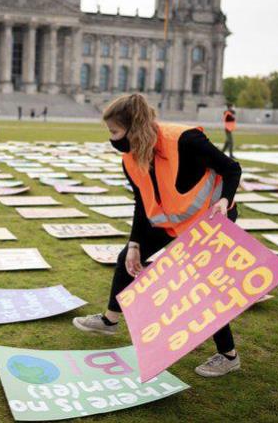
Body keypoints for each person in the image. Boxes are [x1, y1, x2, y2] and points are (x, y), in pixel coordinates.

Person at [72, 93, 243, 378]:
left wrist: (225, 200)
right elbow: (143, 201)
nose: (111, 138)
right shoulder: (130, 158)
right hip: (173, 220)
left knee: (202, 283)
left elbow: (231, 168)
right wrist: (135, 243)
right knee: (127, 258)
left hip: (212, 217)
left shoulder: (185, 140)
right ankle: (110, 320)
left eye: (114, 131)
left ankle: (228, 355)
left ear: (134, 128)